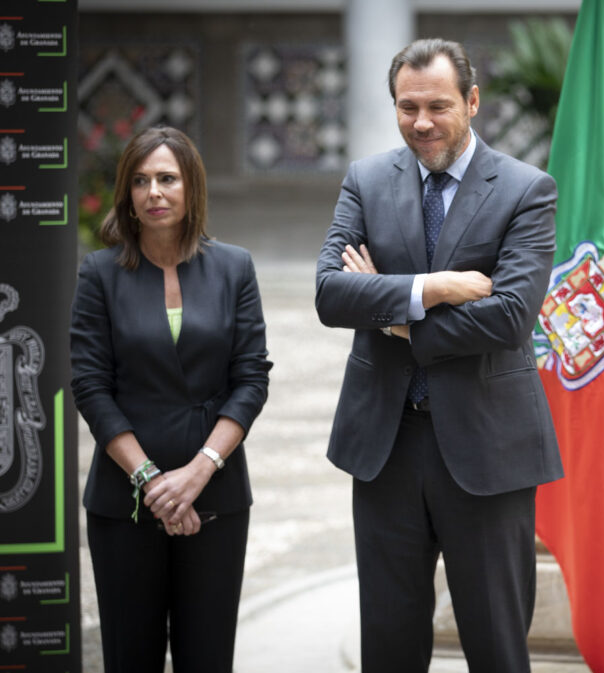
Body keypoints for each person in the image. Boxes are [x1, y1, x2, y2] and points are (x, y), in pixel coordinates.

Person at [315, 38, 563, 672]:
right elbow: (330, 294)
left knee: (495, 645)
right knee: (390, 646)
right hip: (385, 446)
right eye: (407, 107)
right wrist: (437, 289)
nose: (421, 122)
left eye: (438, 106)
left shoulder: (525, 190)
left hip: (488, 447)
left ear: (473, 102)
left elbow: (510, 316)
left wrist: (391, 314)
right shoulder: (366, 181)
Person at [70, 126, 271, 673]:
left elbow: (251, 379)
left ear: (191, 188)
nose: (153, 191)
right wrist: (152, 482)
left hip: (217, 498)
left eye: (167, 178)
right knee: (129, 657)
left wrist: (198, 472)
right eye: (140, 180)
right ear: (127, 195)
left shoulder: (234, 267)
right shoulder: (99, 274)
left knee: (207, 658)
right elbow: (90, 386)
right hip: (124, 503)